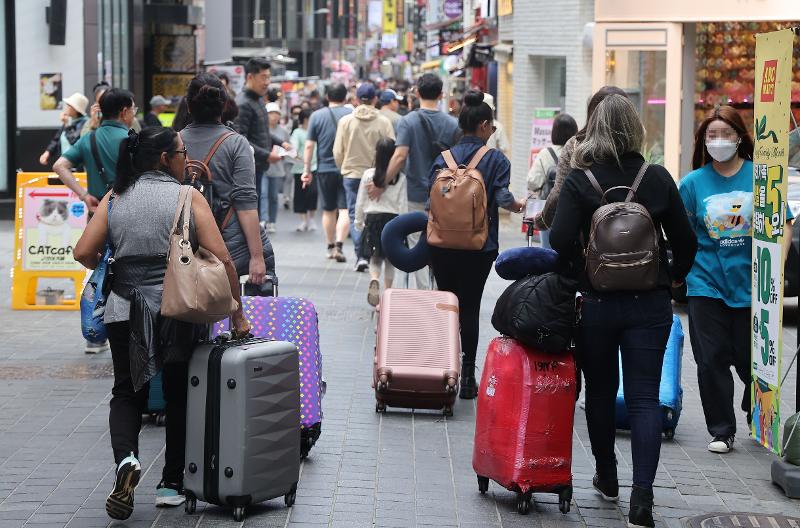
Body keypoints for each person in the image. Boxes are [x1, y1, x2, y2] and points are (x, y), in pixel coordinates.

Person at [73, 126, 249, 519]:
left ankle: (126, 460)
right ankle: (171, 483)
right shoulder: (188, 197)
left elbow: (83, 251)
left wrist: (112, 261)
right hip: (178, 304)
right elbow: (224, 259)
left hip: (123, 308)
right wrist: (237, 311)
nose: (187, 159)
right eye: (182, 153)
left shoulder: (115, 196)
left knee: (126, 391)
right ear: (163, 158)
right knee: (178, 391)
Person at [549, 94, 697, 528]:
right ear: (636, 128)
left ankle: (608, 476)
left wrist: (584, 270)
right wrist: (670, 276)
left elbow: (558, 239)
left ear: (593, 128)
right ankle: (643, 500)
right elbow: (686, 241)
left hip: (596, 303)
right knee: (645, 398)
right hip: (649, 305)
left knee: (598, 392)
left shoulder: (581, 179)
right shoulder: (657, 178)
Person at [679, 105, 793, 455]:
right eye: (711, 135)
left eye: (725, 134)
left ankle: (754, 406)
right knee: (711, 359)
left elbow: (783, 222)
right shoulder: (692, 183)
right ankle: (722, 430)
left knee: (749, 360)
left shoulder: (760, 177)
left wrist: (777, 266)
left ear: (739, 137)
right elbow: (681, 232)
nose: (718, 141)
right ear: (703, 140)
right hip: (705, 283)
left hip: (752, 286)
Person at [428, 91, 524, 399]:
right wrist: (519, 206)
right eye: (492, 127)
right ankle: (468, 377)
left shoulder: (441, 159)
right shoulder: (495, 159)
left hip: (440, 245)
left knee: (446, 307)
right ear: (483, 125)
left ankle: (444, 371)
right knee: (469, 308)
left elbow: (430, 198)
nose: (492, 132)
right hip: (478, 247)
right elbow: (503, 198)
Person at [53, 88, 137, 355]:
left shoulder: (88, 138)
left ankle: (95, 334)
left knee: (97, 269)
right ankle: (128, 331)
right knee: (129, 270)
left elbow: (60, 165)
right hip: (131, 214)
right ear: (124, 111)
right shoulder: (132, 139)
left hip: (97, 214)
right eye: (133, 109)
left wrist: (84, 195)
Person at [179, 72, 275, 291]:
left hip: (185, 243)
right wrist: (257, 256)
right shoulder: (237, 144)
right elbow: (246, 203)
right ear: (223, 105)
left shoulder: (173, 141)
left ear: (188, 105)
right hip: (229, 245)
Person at [374, 73, 460, 289]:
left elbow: (400, 155)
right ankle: (441, 290)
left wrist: (382, 182)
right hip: (446, 195)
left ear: (417, 93)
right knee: (442, 242)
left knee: (416, 243)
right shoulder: (452, 124)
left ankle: (424, 294)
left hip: (415, 193)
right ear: (441, 95)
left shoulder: (408, 121)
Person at [533, 86, 628, 233]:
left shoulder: (574, 146)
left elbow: (558, 192)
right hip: (635, 247)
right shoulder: (647, 170)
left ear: (592, 114)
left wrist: (542, 221)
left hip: (585, 244)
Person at [333, 83, 395, 272]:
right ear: (375, 99)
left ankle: (361, 255)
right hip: (376, 174)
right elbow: (391, 147)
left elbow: (337, 151)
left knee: (354, 214)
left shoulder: (346, 121)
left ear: (356, 100)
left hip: (351, 174)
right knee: (374, 213)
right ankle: (375, 252)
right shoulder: (383, 121)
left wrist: (344, 167)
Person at [301, 83, 353, 262]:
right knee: (345, 209)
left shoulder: (317, 116)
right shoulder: (351, 114)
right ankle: (340, 244)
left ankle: (330, 245)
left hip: (324, 169)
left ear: (327, 97)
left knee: (328, 210)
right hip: (347, 169)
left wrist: (306, 170)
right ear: (345, 97)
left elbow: (309, 145)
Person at [234, 58, 291, 213]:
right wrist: (267, 155)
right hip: (250, 169)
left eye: (268, 77)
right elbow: (240, 140)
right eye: (263, 77)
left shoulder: (258, 99)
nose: (267, 82)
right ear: (250, 77)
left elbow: (262, 131)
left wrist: (281, 143)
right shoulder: (243, 103)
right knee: (252, 212)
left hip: (259, 166)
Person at [355, 138, 407, 307]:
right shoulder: (401, 178)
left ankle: (374, 279)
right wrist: (405, 229)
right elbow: (403, 205)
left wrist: (358, 221)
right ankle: (386, 294)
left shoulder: (369, 175)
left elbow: (360, 201)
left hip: (372, 218)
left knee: (375, 256)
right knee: (390, 259)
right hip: (392, 220)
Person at [527, 113, 578, 248]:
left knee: (548, 254)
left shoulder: (545, 153)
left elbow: (532, 181)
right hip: (573, 211)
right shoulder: (579, 152)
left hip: (548, 211)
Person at [262, 102, 291, 233]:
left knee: (273, 196)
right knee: (262, 194)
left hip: (277, 167)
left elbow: (289, 148)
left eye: (276, 114)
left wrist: (284, 154)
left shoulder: (283, 132)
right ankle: (263, 220)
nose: (274, 116)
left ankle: (272, 221)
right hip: (263, 167)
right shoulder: (261, 130)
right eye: (271, 113)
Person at [39, 92, 89, 167]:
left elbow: (74, 141)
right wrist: (47, 152)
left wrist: (66, 125)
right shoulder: (69, 122)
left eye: (69, 106)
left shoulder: (85, 124)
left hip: (77, 166)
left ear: (76, 109)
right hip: (64, 165)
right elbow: (56, 139)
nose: (66, 107)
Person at [290, 108, 318, 232]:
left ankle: (311, 219)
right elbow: (293, 145)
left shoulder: (316, 131)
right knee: (300, 195)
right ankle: (303, 221)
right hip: (299, 168)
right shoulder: (297, 132)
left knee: (313, 194)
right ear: (305, 119)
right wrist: (294, 152)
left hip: (315, 167)